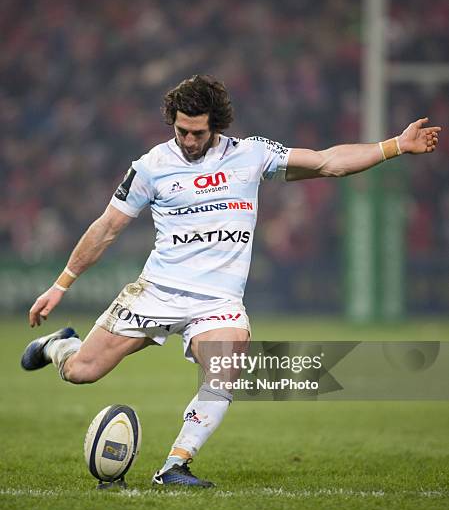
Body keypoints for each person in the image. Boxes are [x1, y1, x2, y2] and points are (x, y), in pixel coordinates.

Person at [21, 74, 441, 487]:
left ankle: (174, 465)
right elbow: (107, 227)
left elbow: (328, 162)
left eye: (197, 132)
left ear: (216, 125)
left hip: (217, 301)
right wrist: (61, 285)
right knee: (81, 372)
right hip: (157, 291)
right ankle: (60, 345)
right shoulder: (151, 166)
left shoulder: (252, 154)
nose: (188, 141)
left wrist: (396, 146)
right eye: (181, 131)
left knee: (226, 366)